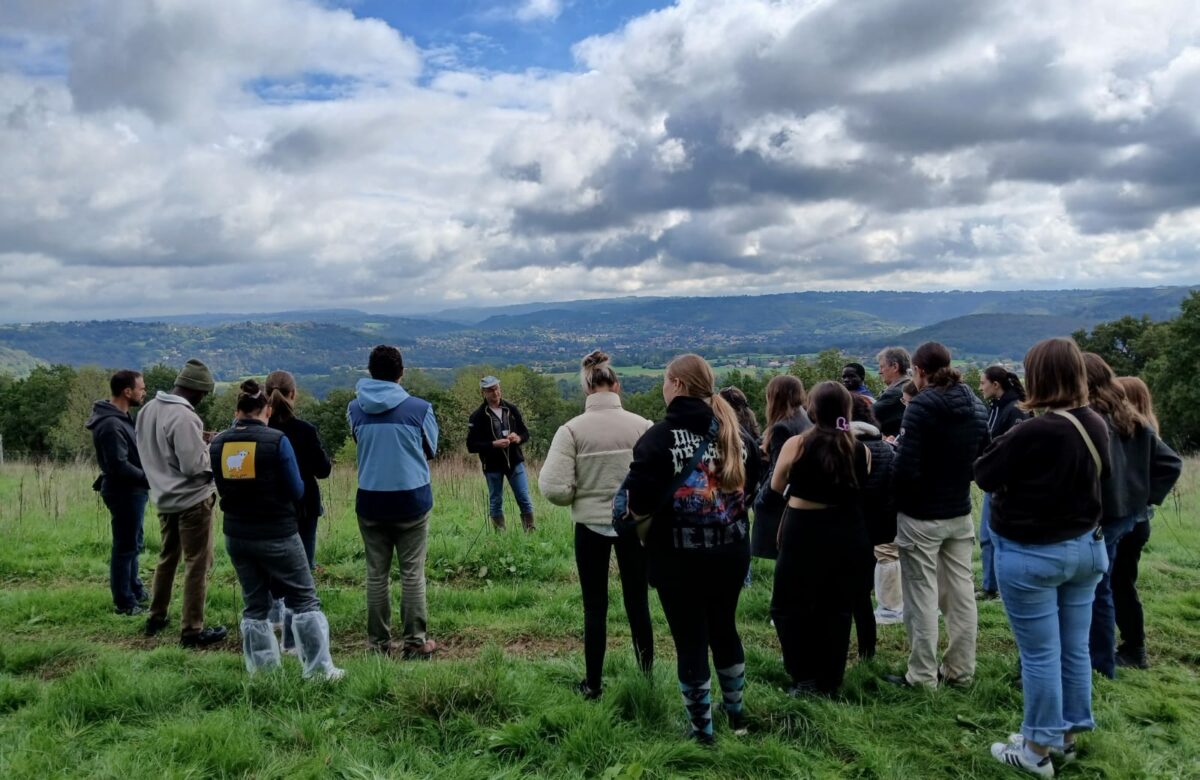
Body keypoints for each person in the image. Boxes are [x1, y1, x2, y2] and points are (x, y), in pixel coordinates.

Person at [974, 337, 1112, 776]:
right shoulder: (1095, 422)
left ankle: (1035, 750)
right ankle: (1065, 736)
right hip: (1086, 548)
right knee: (1073, 648)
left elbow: (985, 473)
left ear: (1038, 377)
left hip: (1034, 553)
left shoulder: (1035, 429)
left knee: (1039, 655)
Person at [621, 354, 760, 744]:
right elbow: (753, 483)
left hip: (679, 559)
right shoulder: (735, 434)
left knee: (690, 640)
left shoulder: (659, 439)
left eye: (666, 381)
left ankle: (702, 732)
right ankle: (736, 713)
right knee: (725, 629)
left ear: (678, 385)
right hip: (731, 551)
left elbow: (639, 500)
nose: (664, 388)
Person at [539, 351, 654, 699]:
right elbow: (656, 480)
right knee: (638, 603)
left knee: (594, 606)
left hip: (589, 525)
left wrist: (579, 494)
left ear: (587, 389)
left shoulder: (571, 430)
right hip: (633, 525)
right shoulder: (643, 426)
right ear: (616, 385)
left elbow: (554, 488)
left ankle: (593, 684)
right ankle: (646, 679)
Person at [212, 380, 344, 680]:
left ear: (237, 410)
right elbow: (297, 489)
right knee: (304, 597)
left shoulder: (219, 442)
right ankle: (319, 670)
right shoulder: (276, 440)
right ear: (266, 410)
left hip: (236, 533)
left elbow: (221, 485)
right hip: (276, 531)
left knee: (255, 603)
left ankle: (262, 671)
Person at [886, 342, 988, 688]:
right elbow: (982, 454)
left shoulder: (922, 406)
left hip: (921, 513)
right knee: (960, 594)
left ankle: (922, 676)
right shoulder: (975, 404)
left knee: (921, 595)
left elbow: (906, 468)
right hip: (959, 509)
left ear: (918, 370)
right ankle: (961, 670)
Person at [1082, 353, 1181, 679]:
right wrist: (1140, 502)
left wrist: (1136, 499)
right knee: (1114, 585)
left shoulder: (1096, 420)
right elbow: (1169, 463)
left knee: (1099, 589)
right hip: (1128, 518)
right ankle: (1114, 654)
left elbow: (1170, 465)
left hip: (1107, 518)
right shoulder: (1131, 418)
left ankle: (1099, 662)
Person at [770, 382, 871, 696]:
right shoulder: (860, 448)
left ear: (812, 408)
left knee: (789, 605)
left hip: (803, 528)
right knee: (836, 606)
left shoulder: (798, 444)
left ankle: (804, 676)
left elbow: (776, 484)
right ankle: (831, 680)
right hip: (845, 530)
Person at [347, 345, 440, 659]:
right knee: (412, 573)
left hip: (371, 499)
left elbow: (361, 443)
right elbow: (431, 450)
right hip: (411, 499)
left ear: (371, 372)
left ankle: (378, 645)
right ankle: (415, 643)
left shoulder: (354, 409)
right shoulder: (420, 408)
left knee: (376, 574)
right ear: (401, 373)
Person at [136, 359, 227, 647]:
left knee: (167, 558)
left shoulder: (149, 409)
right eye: (203, 394)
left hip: (163, 497)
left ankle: (157, 614)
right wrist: (212, 449)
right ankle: (192, 630)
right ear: (197, 390)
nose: (202, 400)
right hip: (191, 500)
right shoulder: (185, 417)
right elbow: (193, 465)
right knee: (197, 563)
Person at [264, 370, 332, 652]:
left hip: (269, 506)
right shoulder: (304, 430)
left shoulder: (261, 429)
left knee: (270, 565)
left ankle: (272, 621)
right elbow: (323, 469)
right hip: (303, 507)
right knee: (302, 567)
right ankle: (293, 640)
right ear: (293, 394)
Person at [86, 369, 150, 615]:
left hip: (133, 490)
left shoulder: (120, 417)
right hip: (125, 491)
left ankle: (135, 588)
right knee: (125, 547)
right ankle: (125, 603)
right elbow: (119, 465)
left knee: (134, 542)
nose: (144, 392)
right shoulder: (112, 424)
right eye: (141, 388)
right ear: (127, 391)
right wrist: (148, 478)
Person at [1110, 376, 1162, 669]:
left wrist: (1140, 500)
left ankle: (1134, 648)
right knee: (1120, 583)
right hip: (1139, 519)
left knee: (1119, 585)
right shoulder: (1147, 429)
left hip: (1129, 520)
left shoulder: (1135, 432)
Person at [849, 395, 897, 658]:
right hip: (877, 528)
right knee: (862, 596)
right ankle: (868, 650)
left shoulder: (845, 447)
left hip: (849, 527)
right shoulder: (885, 448)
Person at [978, 366, 1030, 600]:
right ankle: (990, 586)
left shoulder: (1016, 410)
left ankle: (1002, 587)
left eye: (983, 383)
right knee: (987, 536)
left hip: (1008, 485)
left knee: (1002, 538)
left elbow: (1018, 449)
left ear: (996, 385)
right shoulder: (996, 407)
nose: (980, 387)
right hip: (994, 482)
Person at [751, 375, 811, 560]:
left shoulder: (782, 427)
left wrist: (760, 500)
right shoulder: (803, 417)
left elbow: (779, 471)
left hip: (780, 504)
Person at [467, 376, 535, 532]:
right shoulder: (477, 416)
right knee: (496, 501)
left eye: (497, 388)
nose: (495, 392)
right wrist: (493, 444)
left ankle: (531, 533)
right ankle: (500, 535)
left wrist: (517, 438)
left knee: (524, 498)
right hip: (492, 465)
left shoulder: (511, 409)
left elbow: (525, 433)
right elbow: (471, 446)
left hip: (514, 461)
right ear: (483, 392)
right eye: (490, 390)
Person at [873, 347, 911, 437]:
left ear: (895, 367)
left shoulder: (895, 393)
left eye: (882, 367)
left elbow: (868, 416)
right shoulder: (908, 387)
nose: (879, 371)